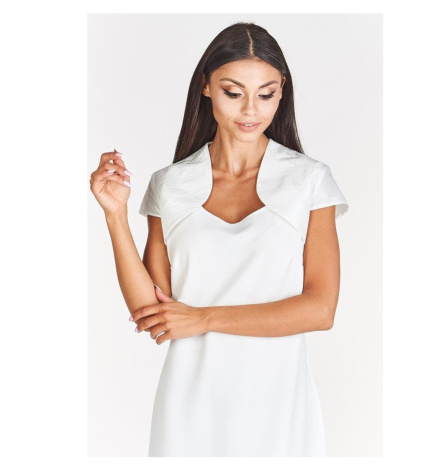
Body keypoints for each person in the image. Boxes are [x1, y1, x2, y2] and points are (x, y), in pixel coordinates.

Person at [90, 21, 349, 457]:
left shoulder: (308, 181)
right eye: (233, 92)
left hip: (278, 407)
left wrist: (205, 318)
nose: (250, 110)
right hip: (189, 407)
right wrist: (115, 214)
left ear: (281, 92)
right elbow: (152, 312)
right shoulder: (170, 185)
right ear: (206, 86)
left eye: (265, 93)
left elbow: (321, 310)